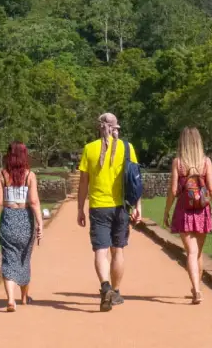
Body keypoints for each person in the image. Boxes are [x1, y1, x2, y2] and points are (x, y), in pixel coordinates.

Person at [77, 112, 140, 311]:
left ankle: (105, 286)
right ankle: (117, 291)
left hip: (98, 207)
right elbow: (135, 180)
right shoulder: (127, 148)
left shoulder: (89, 149)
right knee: (118, 250)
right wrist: (138, 207)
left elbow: (83, 183)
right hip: (121, 206)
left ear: (99, 127)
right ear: (115, 128)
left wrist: (80, 208)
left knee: (101, 251)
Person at [162, 126, 212, 304]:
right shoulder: (206, 162)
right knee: (198, 253)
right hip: (202, 211)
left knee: (191, 252)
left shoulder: (178, 163)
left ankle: (196, 289)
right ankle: (197, 287)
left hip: (184, 212)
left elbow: (173, 190)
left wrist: (167, 211)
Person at [0, 142, 44, 312]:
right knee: (24, 258)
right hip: (25, 219)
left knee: (9, 259)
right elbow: (33, 201)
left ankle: (11, 300)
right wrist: (40, 223)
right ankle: (24, 297)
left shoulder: (2, 175)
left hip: (9, 220)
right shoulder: (30, 175)